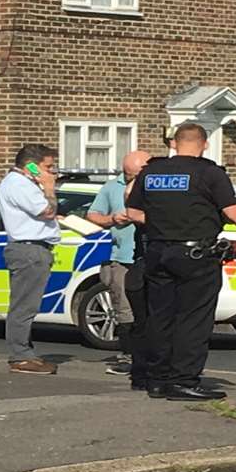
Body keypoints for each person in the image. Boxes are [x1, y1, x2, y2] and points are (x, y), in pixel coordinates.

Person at [125, 123, 236, 400]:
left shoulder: (151, 172)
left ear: (174, 143)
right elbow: (234, 212)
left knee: (160, 317)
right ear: (205, 144)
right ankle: (184, 380)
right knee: (194, 319)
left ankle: (157, 379)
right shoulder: (210, 173)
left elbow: (132, 210)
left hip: (157, 252)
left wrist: (163, 224)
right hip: (196, 255)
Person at [0, 144, 62, 375]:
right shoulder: (18, 184)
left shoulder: (25, 184)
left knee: (27, 304)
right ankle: (20, 356)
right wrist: (49, 188)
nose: (51, 172)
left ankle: (26, 352)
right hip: (28, 250)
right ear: (31, 165)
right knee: (24, 305)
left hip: (34, 249)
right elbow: (46, 211)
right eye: (47, 167)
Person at [86, 150, 150, 382]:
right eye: (127, 174)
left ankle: (150, 357)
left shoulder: (154, 185)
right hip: (123, 258)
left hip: (151, 257)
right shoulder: (112, 187)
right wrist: (113, 219)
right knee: (124, 311)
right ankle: (128, 356)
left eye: (134, 176)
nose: (130, 179)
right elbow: (92, 215)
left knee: (151, 311)